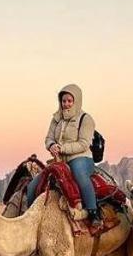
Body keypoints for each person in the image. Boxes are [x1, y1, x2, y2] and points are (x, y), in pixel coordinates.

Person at [25, 84, 100, 224]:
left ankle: (93, 212)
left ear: (76, 101)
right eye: (63, 101)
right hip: (59, 160)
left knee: (79, 174)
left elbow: (84, 143)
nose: (66, 104)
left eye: (69, 101)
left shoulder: (86, 119)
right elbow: (48, 138)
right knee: (33, 185)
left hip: (80, 158)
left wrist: (62, 148)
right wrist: (52, 145)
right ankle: (30, 219)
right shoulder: (56, 118)